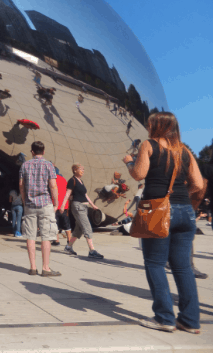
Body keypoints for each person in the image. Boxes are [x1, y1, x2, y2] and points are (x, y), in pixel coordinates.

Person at [122, 112, 203, 334]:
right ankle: (189, 320)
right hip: (185, 211)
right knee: (182, 266)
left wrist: (129, 163)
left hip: (157, 210)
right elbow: (197, 183)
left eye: (150, 123)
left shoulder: (149, 145)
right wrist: (179, 197)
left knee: (155, 263)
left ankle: (165, 317)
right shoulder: (184, 149)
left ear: (156, 126)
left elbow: (139, 174)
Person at [19, 141, 60, 276]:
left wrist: (25, 201)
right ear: (43, 151)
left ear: (32, 152)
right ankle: (46, 268)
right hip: (45, 204)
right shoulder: (48, 165)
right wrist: (56, 203)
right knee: (46, 236)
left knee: (30, 236)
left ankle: (32, 267)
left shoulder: (25, 165)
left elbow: (21, 185)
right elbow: (53, 186)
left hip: (30, 204)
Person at [60, 164, 104, 259]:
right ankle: (92, 251)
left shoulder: (81, 181)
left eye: (83, 169)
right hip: (78, 206)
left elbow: (85, 195)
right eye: (81, 169)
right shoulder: (72, 180)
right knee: (87, 227)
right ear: (75, 170)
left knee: (78, 229)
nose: (83, 171)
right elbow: (67, 194)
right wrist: (63, 205)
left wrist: (93, 205)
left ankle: (68, 247)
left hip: (84, 207)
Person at [53, 172, 71, 247]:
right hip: (65, 206)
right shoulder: (63, 179)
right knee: (66, 224)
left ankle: (57, 241)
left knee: (55, 224)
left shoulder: (51, 179)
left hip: (55, 206)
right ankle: (69, 241)